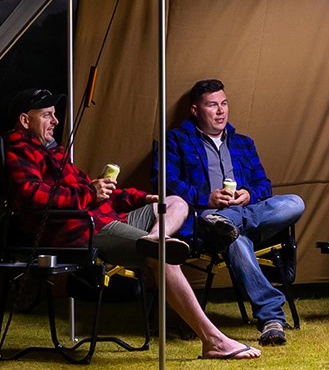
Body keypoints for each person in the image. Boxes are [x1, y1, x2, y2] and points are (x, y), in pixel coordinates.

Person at [4, 88, 260, 361]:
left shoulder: (55, 152)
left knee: (175, 202)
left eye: (55, 114)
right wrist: (90, 192)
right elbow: (34, 197)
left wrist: (142, 198)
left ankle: (154, 237)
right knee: (164, 256)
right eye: (47, 115)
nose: (55, 121)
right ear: (25, 120)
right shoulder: (18, 152)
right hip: (80, 229)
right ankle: (213, 341)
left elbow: (97, 191)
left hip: (106, 218)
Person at [156, 78, 305, 346]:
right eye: (212, 105)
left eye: (224, 104)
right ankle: (271, 319)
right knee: (234, 240)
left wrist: (250, 194)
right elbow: (164, 183)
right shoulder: (176, 140)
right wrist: (207, 198)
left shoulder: (243, 143)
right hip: (204, 220)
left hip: (246, 216)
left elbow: (264, 185)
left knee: (294, 202)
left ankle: (229, 221)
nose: (221, 111)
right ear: (195, 110)